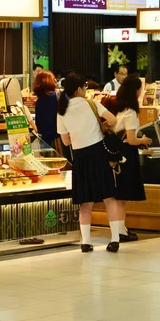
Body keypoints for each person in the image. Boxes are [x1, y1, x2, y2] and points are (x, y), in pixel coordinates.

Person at [57, 74, 122, 253]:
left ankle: (85, 242)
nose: (86, 91)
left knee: (85, 201)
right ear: (79, 89)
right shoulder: (91, 104)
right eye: (84, 88)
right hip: (99, 153)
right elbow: (113, 120)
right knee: (109, 197)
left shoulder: (62, 111)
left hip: (80, 157)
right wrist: (98, 125)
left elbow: (66, 142)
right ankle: (115, 239)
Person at [113, 75, 152, 242]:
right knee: (122, 195)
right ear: (135, 91)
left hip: (117, 155)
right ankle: (120, 230)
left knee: (119, 195)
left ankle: (121, 228)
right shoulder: (131, 113)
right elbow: (131, 139)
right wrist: (143, 140)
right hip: (126, 155)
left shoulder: (119, 110)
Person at [32, 70, 58, 146]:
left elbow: (39, 125)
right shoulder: (57, 97)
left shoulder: (39, 101)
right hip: (58, 140)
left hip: (44, 141)